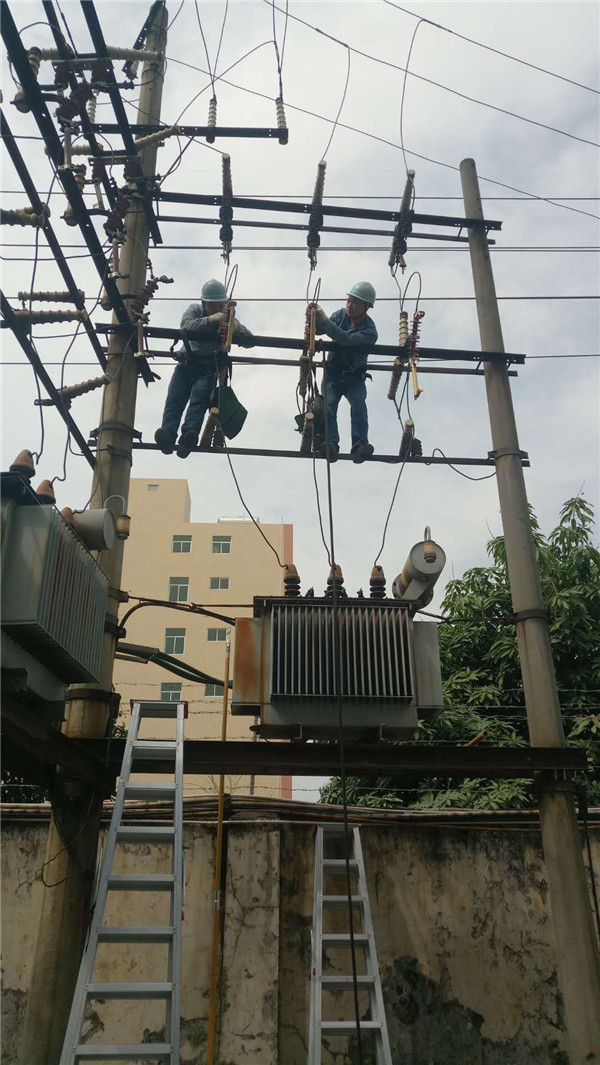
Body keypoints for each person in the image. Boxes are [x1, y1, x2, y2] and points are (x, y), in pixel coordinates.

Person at [155, 279, 254, 458]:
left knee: (198, 403)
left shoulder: (227, 318)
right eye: (212, 305)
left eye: (220, 304)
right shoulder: (195, 310)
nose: (217, 308)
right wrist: (209, 320)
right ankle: (167, 435)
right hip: (186, 365)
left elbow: (249, 340)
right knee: (174, 401)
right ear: (204, 303)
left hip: (207, 370)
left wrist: (233, 325)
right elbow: (186, 325)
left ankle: (189, 436)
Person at [314, 281, 378, 463]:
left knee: (358, 406)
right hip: (333, 373)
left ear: (366, 306)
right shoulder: (340, 315)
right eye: (349, 301)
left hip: (354, 376)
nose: (350, 305)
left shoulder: (370, 331)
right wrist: (314, 318)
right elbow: (321, 330)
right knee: (328, 408)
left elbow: (345, 339)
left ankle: (360, 446)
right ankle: (330, 444)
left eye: (355, 302)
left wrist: (324, 320)